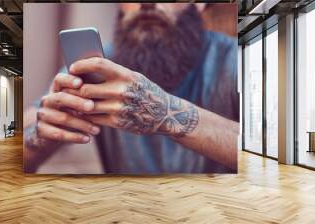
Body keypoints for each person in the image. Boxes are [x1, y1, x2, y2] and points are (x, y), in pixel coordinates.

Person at [24, 3, 239, 173]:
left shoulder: (237, 60)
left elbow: (269, 155)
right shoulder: (96, 65)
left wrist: (165, 112)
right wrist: (41, 135)